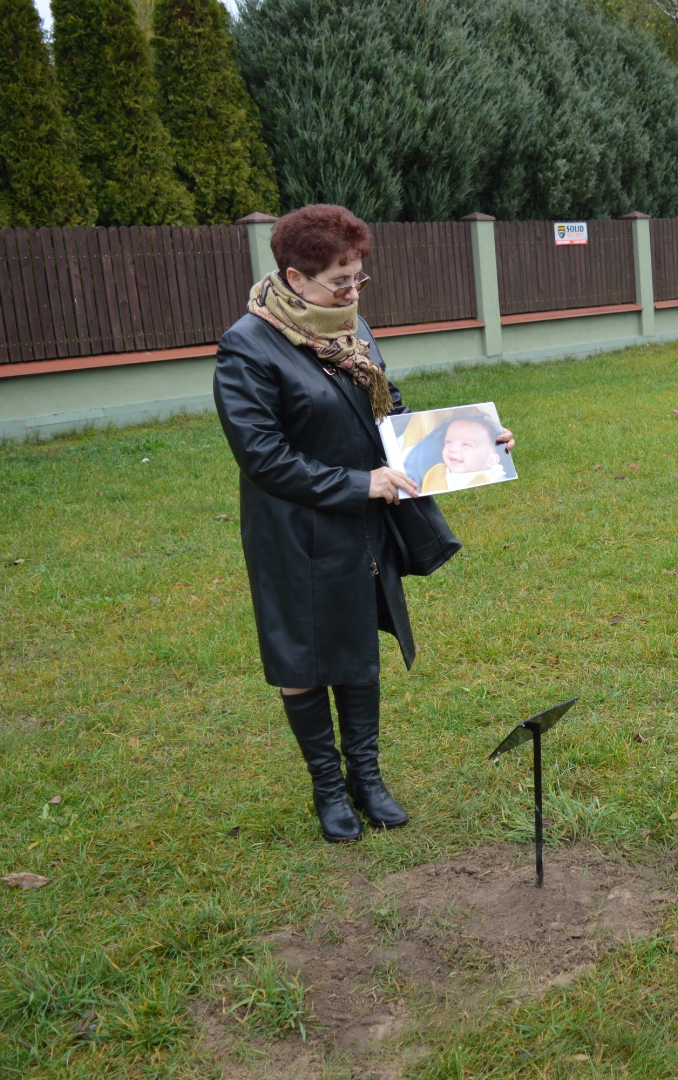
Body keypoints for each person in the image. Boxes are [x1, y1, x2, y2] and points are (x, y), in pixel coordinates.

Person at [213, 204, 512, 843]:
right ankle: (328, 789)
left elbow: (388, 414)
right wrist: (359, 484)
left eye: (358, 279)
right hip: (292, 533)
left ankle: (367, 780)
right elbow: (262, 456)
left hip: (360, 526)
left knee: (356, 643)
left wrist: (476, 437)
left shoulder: (353, 330)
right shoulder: (247, 346)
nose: (353, 293)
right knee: (301, 657)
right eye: (339, 281)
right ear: (295, 278)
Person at [421, 416, 508, 492]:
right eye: (449, 442)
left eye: (466, 444)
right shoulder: (438, 475)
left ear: (491, 461)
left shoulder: (495, 478)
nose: (453, 449)